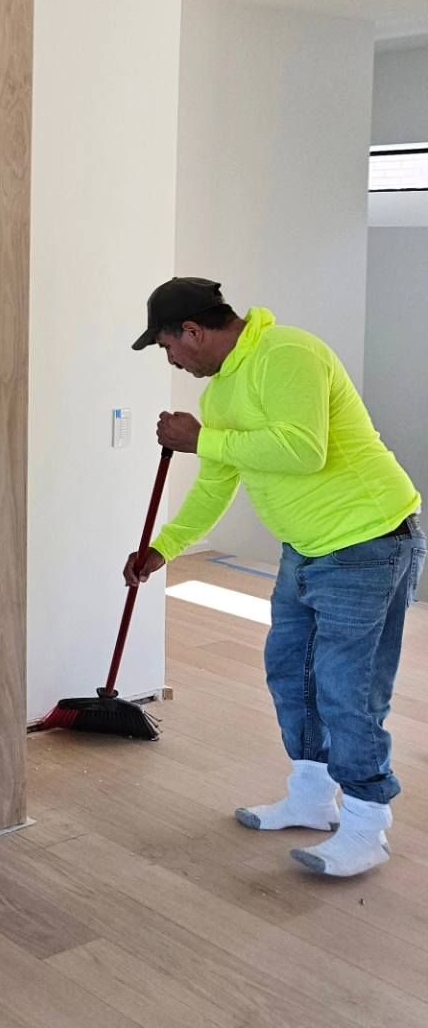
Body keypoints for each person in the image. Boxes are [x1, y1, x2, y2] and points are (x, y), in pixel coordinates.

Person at [128, 277, 424, 878]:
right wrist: (165, 549)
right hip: (306, 547)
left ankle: (368, 824)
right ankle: (313, 799)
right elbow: (217, 483)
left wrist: (204, 439)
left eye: (167, 347)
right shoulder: (219, 396)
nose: (172, 361)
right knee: (291, 672)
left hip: (367, 540)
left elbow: (302, 449)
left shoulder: (288, 353)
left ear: (193, 331)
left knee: (348, 686)